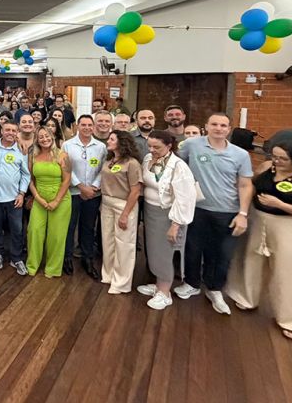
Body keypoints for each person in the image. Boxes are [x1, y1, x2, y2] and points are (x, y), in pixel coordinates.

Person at [224, 140, 292, 340]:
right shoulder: (268, 168)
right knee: (251, 260)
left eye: (283, 158)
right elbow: (251, 184)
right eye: (275, 156)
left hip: (291, 226)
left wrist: (281, 204)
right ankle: (247, 297)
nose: (277, 161)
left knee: (290, 272)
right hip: (259, 220)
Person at [175, 112, 253, 315]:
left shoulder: (240, 155)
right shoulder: (192, 145)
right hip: (197, 209)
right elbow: (177, 166)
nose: (219, 128)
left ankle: (214, 289)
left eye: (223, 125)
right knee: (193, 248)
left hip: (227, 212)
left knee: (221, 254)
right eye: (214, 124)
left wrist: (243, 214)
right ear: (206, 126)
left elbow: (245, 185)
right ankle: (191, 283)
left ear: (229, 129)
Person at [136, 130, 197, 310]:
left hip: (168, 215)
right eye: (150, 146)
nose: (152, 149)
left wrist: (175, 225)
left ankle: (165, 292)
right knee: (153, 250)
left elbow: (185, 197)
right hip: (150, 211)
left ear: (169, 146)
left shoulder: (178, 167)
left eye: (157, 147)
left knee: (165, 252)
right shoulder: (148, 159)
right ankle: (158, 284)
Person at [62, 115, 107, 278]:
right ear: (77, 126)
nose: (87, 127)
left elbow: (104, 168)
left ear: (93, 127)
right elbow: (66, 169)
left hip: (93, 194)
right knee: (69, 226)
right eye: (83, 124)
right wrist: (80, 186)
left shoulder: (101, 147)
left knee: (88, 227)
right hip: (73, 192)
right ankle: (66, 257)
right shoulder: (67, 145)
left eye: (90, 125)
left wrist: (93, 187)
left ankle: (87, 258)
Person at [99, 130, 142, 294]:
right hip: (106, 203)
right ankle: (109, 275)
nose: (108, 141)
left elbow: (135, 191)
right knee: (108, 241)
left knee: (124, 244)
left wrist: (125, 214)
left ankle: (121, 282)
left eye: (111, 139)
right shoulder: (109, 160)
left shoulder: (132, 163)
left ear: (121, 142)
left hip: (123, 204)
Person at [27, 125, 72, 277]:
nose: (44, 139)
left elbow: (67, 181)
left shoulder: (62, 155)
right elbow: (31, 180)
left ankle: (52, 269)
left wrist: (56, 201)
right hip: (39, 199)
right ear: (37, 140)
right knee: (34, 231)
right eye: (41, 137)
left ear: (52, 137)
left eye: (47, 136)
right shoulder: (32, 155)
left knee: (56, 236)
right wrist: (38, 198)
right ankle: (32, 265)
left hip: (60, 199)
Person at [0, 120, 31, 275]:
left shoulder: (21, 151)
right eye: (8, 130)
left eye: (14, 131)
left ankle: (16, 257)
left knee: (17, 229)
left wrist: (22, 193)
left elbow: (26, 174)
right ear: (2, 131)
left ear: (17, 132)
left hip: (14, 198)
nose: (11, 133)